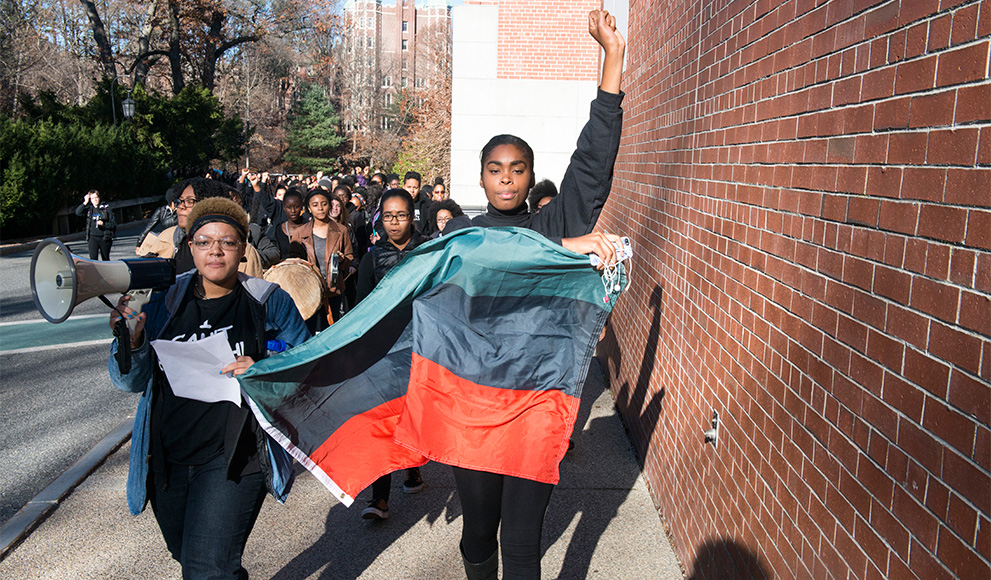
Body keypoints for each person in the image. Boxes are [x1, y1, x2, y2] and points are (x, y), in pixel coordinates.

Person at [453, 11, 626, 580]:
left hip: (534, 402)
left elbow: (592, 166)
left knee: (523, 544)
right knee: (479, 534)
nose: (506, 178)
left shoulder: (553, 225)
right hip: (473, 404)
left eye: (517, 169)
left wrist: (612, 61)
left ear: (529, 178)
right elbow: (489, 260)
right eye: (495, 169)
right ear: (481, 179)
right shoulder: (459, 236)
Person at [107, 197, 310, 580]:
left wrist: (263, 369)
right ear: (190, 247)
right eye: (203, 242)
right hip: (168, 455)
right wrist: (131, 342)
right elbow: (128, 381)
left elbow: (308, 369)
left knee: (206, 569)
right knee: (189, 555)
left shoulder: (269, 301)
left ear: (243, 247)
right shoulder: (164, 300)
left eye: (227, 242)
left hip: (235, 456)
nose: (215, 251)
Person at [354, 188, 429, 521]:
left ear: (411, 216)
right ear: (380, 219)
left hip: (422, 346)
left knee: (413, 415)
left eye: (400, 215)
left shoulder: (429, 251)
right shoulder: (372, 258)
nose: (394, 222)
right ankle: (379, 497)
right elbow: (361, 307)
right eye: (388, 216)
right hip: (383, 350)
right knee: (381, 420)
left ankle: (412, 467)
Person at [289, 189, 355, 331]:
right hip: (308, 291)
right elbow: (293, 264)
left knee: (330, 330)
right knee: (309, 330)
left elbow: (350, 258)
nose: (320, 208)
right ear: (308, 208)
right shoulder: (299, 233)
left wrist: (343, 261)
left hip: (333, 289)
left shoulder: (341, 230)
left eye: (324, 204)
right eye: (315, 204)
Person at [75, 190, 116, 260]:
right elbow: (78, 212)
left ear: (99, 198)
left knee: (105, 258)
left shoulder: (106, 208)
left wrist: (104, 224)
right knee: (93, 258)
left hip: (104, 237)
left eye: (96, 197)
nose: (95, 200)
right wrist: (85, 202)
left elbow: (113, 224)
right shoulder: (89, 209)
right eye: (92, 198)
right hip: (92, 237)